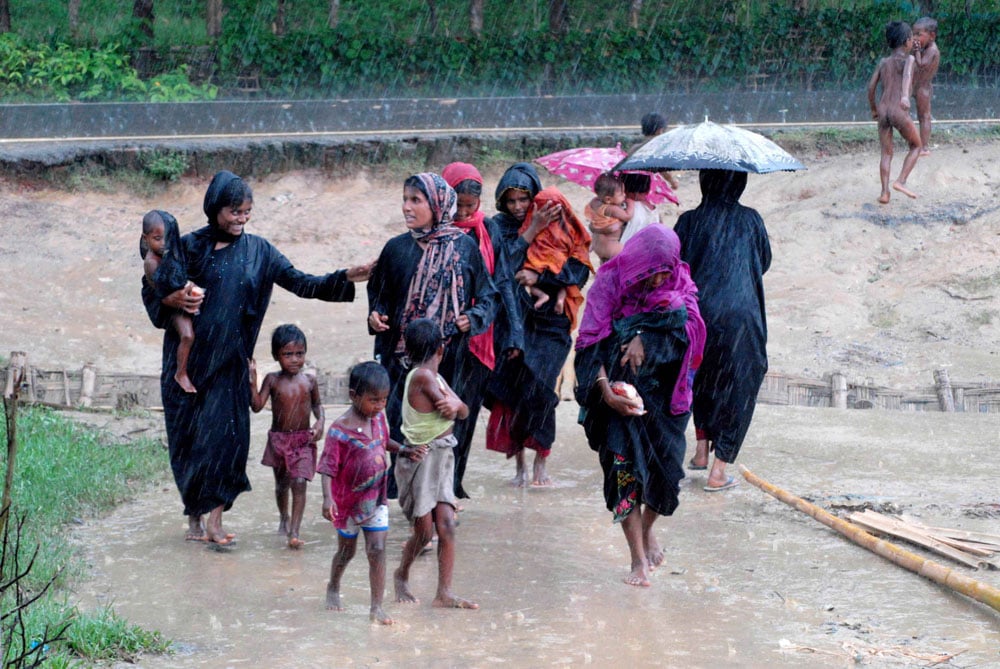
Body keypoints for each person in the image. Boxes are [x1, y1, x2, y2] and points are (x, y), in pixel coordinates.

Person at [141, 170, 372, 546]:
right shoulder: (189, 247)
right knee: (188, 444)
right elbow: (153, 285)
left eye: (247, 212)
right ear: (215, 209)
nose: (241, 219)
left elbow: (302, 282)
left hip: (230, 367)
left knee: (224, 443)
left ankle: (215, 521)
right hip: (186, 367)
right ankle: (195, 519)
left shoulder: (260, 253)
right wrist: (171, 300)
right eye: (234, 211)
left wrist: (345, 276)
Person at [575, 225, 704, 587]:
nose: (657, 280)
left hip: (666, 397)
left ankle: (648, 529)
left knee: (667, 479)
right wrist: (604, 390)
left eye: (664, 271)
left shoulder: (682, 285)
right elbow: (589, 344)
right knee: (623, 471)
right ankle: (637, 559)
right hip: (616, 398)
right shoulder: (610, 283)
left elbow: (692, 334)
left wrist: (645, 338)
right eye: (649, 273)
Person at [367, 172, 498, 498]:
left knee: (444, 425)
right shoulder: (395, 249)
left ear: (437, 205)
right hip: (400, 358)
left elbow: (488, 296)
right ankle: (404, 495)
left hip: (448, 357)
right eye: (405, 199)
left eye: (416, 200)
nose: (406, 208)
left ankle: (442, 495)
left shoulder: (464, 248)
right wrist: (375, 315)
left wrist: (473, 317)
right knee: (400, 423)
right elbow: (379, 292)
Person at [485, 163, 591, 487]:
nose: (517, 207)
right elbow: (502, 271)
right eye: (511, 201)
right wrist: (530, 232)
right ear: (502, 203)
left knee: (542, 390)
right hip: (514, 322)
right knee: (515, 393)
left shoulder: (557, 219)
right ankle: (519, 464)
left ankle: (541, 462)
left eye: (523, 200)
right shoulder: (498, 228)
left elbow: (579, 269)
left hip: (551, 326)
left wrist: (544, 278)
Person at [675, 170, 770, 492]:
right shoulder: (751, 220)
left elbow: (676, 264)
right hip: (741, 316)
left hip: (698, 313)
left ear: (704, 182)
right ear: (739, 183)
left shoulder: (688, 221)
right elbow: (765, 261)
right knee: (740, 385)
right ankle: (718, 470)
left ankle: (701, 449)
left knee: (702, 376)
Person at [441, 161, 520, 498]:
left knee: (465, 413)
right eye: (458, 205)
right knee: (436, 410)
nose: (463, 212)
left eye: (470, 206)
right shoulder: (435, 232)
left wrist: (514, 333)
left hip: (479, 336)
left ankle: (453, 481)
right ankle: (432, 484)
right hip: (441, 336)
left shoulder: (488, 231)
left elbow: (502, 282)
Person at [319, 361, 415, 625]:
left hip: (376, 499)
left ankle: (376, 607)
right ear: (354, 396)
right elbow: (327, 467)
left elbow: (385, 443)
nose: (380, 405)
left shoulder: (379, 419)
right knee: (346, 552)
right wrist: (327, 498)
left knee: (377, 549)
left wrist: (404, 450)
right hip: (347, 503)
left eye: (384, 399)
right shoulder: (339, 430)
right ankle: (333, 585)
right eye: (374, 400)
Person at [393, 318, 478, 610]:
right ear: (441, 349)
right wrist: (457, 407)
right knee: (424, 532)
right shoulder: (423, 377)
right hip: (422, 460)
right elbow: (459, 410)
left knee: (447, 526)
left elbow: (462, 410)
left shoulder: (435, 378)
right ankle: (401, 574)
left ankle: (444, 592)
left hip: (442, 457)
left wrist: (457, 406)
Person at [249, 324, 324, 549]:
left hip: (303, 440)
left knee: (299, 482)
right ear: (276, 356)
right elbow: (256, 406)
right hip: (279, 441)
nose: (294, 360)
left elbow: (318, 406)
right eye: (287, 354)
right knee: (282, 485)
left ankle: (295, 531)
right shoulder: (272, 380)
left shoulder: (309, 380)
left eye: (299, 354)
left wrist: (320, 423)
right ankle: (284, 517)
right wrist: (252, 382)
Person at [140, 210, 201, 394]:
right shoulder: (151, 262)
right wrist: (185, 291)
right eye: (157, 238)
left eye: (166, 238)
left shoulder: (167, 252)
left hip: (177, 297)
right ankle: (180, 373)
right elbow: (162, 292)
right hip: (168, 305)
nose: (163, 243)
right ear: (145, 238)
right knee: (188, 335)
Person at [867, 20, 921, 204]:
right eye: (912, 38)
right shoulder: (910, 59)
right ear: (907, 41)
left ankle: (884, 193)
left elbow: (871, 87)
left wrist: (874, 108)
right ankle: (901, 181)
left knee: (886, 153)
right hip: (898, 109)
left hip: (883, 109)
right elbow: (906, 75)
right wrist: (905, 96)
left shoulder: (883, 62)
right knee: (916, 145)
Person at [584, 172, 633, 265]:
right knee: (630, 254)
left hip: (597, 246)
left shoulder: (595, 202)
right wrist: (631, 203)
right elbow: (627, 216)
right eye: (621, 194)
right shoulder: (612, 209)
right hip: (611, 247)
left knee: (605, 265)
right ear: (608, 199)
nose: (624, 195)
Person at [912, 17, 940, 156]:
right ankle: (917, 143)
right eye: (914, 34)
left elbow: (921, 64)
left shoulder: (932, 50)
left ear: (932, 36)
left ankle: (923, 147)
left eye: (919, 34)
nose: (915, 38)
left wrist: (916, 51)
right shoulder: (926, 47)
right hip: (917, 86)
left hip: (923, 88)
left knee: (924, 117)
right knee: (919, 116)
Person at [632, 113, 679, 190]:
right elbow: (663, 169)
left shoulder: (634, 148)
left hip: (629, 187)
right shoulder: (657, 150)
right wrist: (672, 181)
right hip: (645, 189)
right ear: (659, 131)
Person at [619, 173, 662, 246]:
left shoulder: (625, 207)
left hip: (627, 251)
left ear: (624, 189)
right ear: (648, 190)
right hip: (649, 251)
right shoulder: (653, 208)